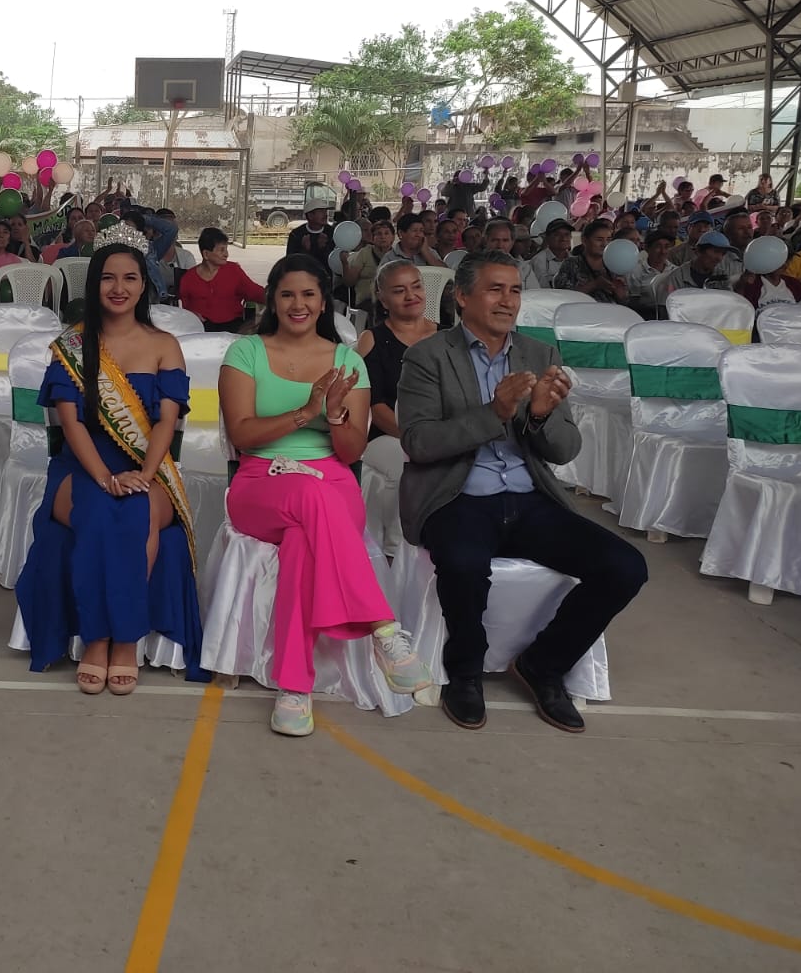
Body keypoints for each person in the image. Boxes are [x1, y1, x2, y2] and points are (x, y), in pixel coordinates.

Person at [396, 250, 647, 733]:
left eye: (514, 290)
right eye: (495, 289)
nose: (508, 301)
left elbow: (565, 448)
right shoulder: (428, 356)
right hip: (457, 497)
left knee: (625, 567)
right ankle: (465, 671)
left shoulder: (540, 354)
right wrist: (494, 413)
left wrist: (539, 415)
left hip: (530, 499)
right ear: (462, 296)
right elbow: (419, 442)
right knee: (464, 564)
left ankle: (544, 664)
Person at [219, 254, 430, 736]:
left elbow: (352, 451)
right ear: (273, 300)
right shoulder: (246, 352)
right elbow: (243, 434)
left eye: (308, 295)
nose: (298, 304)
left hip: (332, 480)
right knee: (310, 499)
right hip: (260, 480)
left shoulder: (347, 361)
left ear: (322, 302)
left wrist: (334, 415)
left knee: (302, 540)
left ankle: (294, 689)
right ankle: (383, 629)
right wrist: (307, 409)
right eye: (287, 294)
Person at [15, 226, 205, 693]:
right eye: (108, 278)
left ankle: (124, 640)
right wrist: (103, 477)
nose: (119, 288)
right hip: (81, 466)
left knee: (135, 513)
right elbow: (72, 424)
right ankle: (97, 638)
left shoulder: (165, 345)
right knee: (100, 514)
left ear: (145, 285)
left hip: (149, 465)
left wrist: (144, 473)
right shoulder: (72, 345)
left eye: (130, 278)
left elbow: (166, 421)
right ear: (94, 283)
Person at [356, 261, 439, 439]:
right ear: (383, 299)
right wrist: (417, 440)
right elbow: (374, 406)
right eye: (399, 291)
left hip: (445, 435)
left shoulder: (448, 336)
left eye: (416, 286)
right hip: (392, 437)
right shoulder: (371, 339)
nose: (411, 296)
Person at [178, 227, 263, 331]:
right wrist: (192, 314)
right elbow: (185, 307)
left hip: (233, 327)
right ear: (206, 254)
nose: (226, 254)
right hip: (201, 329)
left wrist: (274, 295)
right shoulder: (188, 278)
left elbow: (254, 292)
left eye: (226, 249)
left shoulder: (233, 270)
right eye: (222, 250)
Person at [552, 218, 628, 303]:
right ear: (584, 240)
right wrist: (594, 284)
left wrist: (620, 293)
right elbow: (563, 296)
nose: (604, 244)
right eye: (599, 239)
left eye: (608, 239)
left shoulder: (613, 266)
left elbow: (624, 301)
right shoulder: (571, 264)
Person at [120, 207, 180, 301]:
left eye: (131, 230)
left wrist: (143, 218)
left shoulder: (151, 250)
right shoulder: (113, 252)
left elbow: (171, 229)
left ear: (139, 232)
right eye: (123, 229)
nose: (127, 233)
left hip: (152, 300)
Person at [650, 232, 736, 297]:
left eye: (723, 254)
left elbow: (729, 305)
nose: (719, 258)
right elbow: (667, 309)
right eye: (716, 252)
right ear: (698, 251)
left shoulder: (721, 277)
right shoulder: (677, 278)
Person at [340, 218, 398, 310]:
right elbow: (349, 282)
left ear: (393, 237)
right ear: (372, 238)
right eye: (378, 234)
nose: (383, 237)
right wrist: (345, 264)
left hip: (392, 301)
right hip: (366, 302)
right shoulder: (364, 253)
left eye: (386, 233)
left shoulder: (397, 255)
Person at [736, 257, 801, 309]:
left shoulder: (794, 283)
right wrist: (742, 284)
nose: (784, 264)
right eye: (779, 260)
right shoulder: (753, 282)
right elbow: (742, 308)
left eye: (787, 260)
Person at [285, 194, 335, 263]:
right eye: (321, 211)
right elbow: (290, 262)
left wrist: (324, 248)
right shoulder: (296, 234)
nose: (326, 214)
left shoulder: (332, 233)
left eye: (326, 211)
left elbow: (335, 262)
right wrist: (304, 250)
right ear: (310, 215)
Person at [529, 219, 572, 288]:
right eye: (557, 234)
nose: (563, 238)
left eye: (567, 234)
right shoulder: (539, 261)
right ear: (547, 238)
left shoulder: (574, 260)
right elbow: (542, 289)